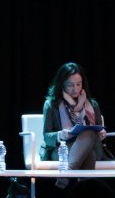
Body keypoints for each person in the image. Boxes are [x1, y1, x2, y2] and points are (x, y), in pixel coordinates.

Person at [41, 61, 109, 189]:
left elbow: (99, 130)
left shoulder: (92, 104)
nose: (76, 89)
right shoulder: (51, 105)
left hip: (91, 145)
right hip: (62, 149)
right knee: (89, 155)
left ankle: (66, 174)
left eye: (79, 84)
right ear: (62, 85)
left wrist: (101, 134)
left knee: (89, 132)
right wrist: (61, 134)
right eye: (70, 85)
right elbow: (46, 137)